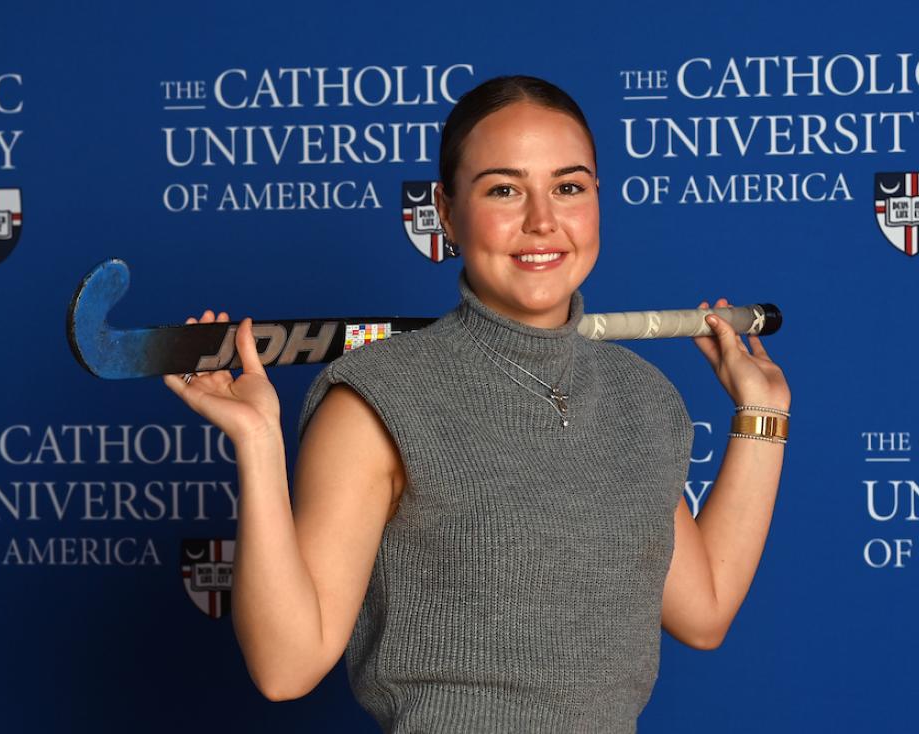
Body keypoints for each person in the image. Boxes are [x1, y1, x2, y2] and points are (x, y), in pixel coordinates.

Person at [164, 75, 790, 733]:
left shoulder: (640, 395)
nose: (543, 221)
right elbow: (285, 667)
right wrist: (259, 439)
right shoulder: (377, 399)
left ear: (598, 199)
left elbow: (705, 611)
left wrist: (763, 415)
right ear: (445, 211)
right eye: (503, 190)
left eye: (569, 187)